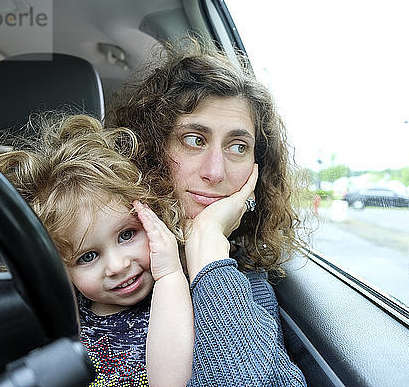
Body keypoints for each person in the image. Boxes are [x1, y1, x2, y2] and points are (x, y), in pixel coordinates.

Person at [108, 40, 309, 386]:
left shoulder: (249, 284)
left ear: (256, 171)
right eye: (194, 140)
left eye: (237, 146)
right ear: (152, 147)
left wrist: (208, 253)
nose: (215, 172)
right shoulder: (103, 261)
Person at [0, 114, 196, 387]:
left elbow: (170, 383)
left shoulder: (178, 300)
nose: (118, 265)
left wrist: (170, 274)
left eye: (127, 235)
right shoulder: (74, 321)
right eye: (87, 256)